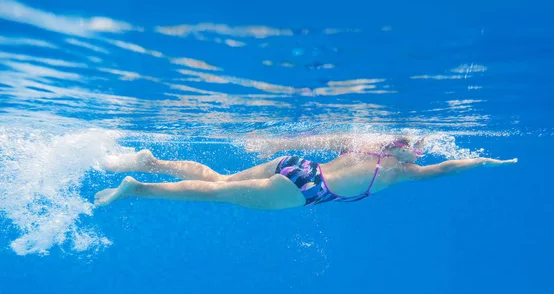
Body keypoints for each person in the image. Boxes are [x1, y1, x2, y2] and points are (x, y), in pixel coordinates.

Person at [94, 134, 517, 209]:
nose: (421, 156)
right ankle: (139, 187)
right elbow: (447, 168)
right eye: (419, 149)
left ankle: (152, 162)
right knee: (217, 194)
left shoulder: (366, 146)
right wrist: (484, 162)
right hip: (308, 190)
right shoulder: (400, 173)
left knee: (220, 179)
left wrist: (276, 146)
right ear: (409, 150)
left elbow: (317, 141)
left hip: (297, 166)